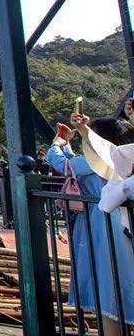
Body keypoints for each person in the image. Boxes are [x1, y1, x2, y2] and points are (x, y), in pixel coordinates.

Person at [47, 114, 134, 334]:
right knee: (121, 277)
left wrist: (58, 143)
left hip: (101, 220)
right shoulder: (121, 156)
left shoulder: (95, 159)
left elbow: (62, 164)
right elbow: (78, 163)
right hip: (119, 217)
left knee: (107, 281)